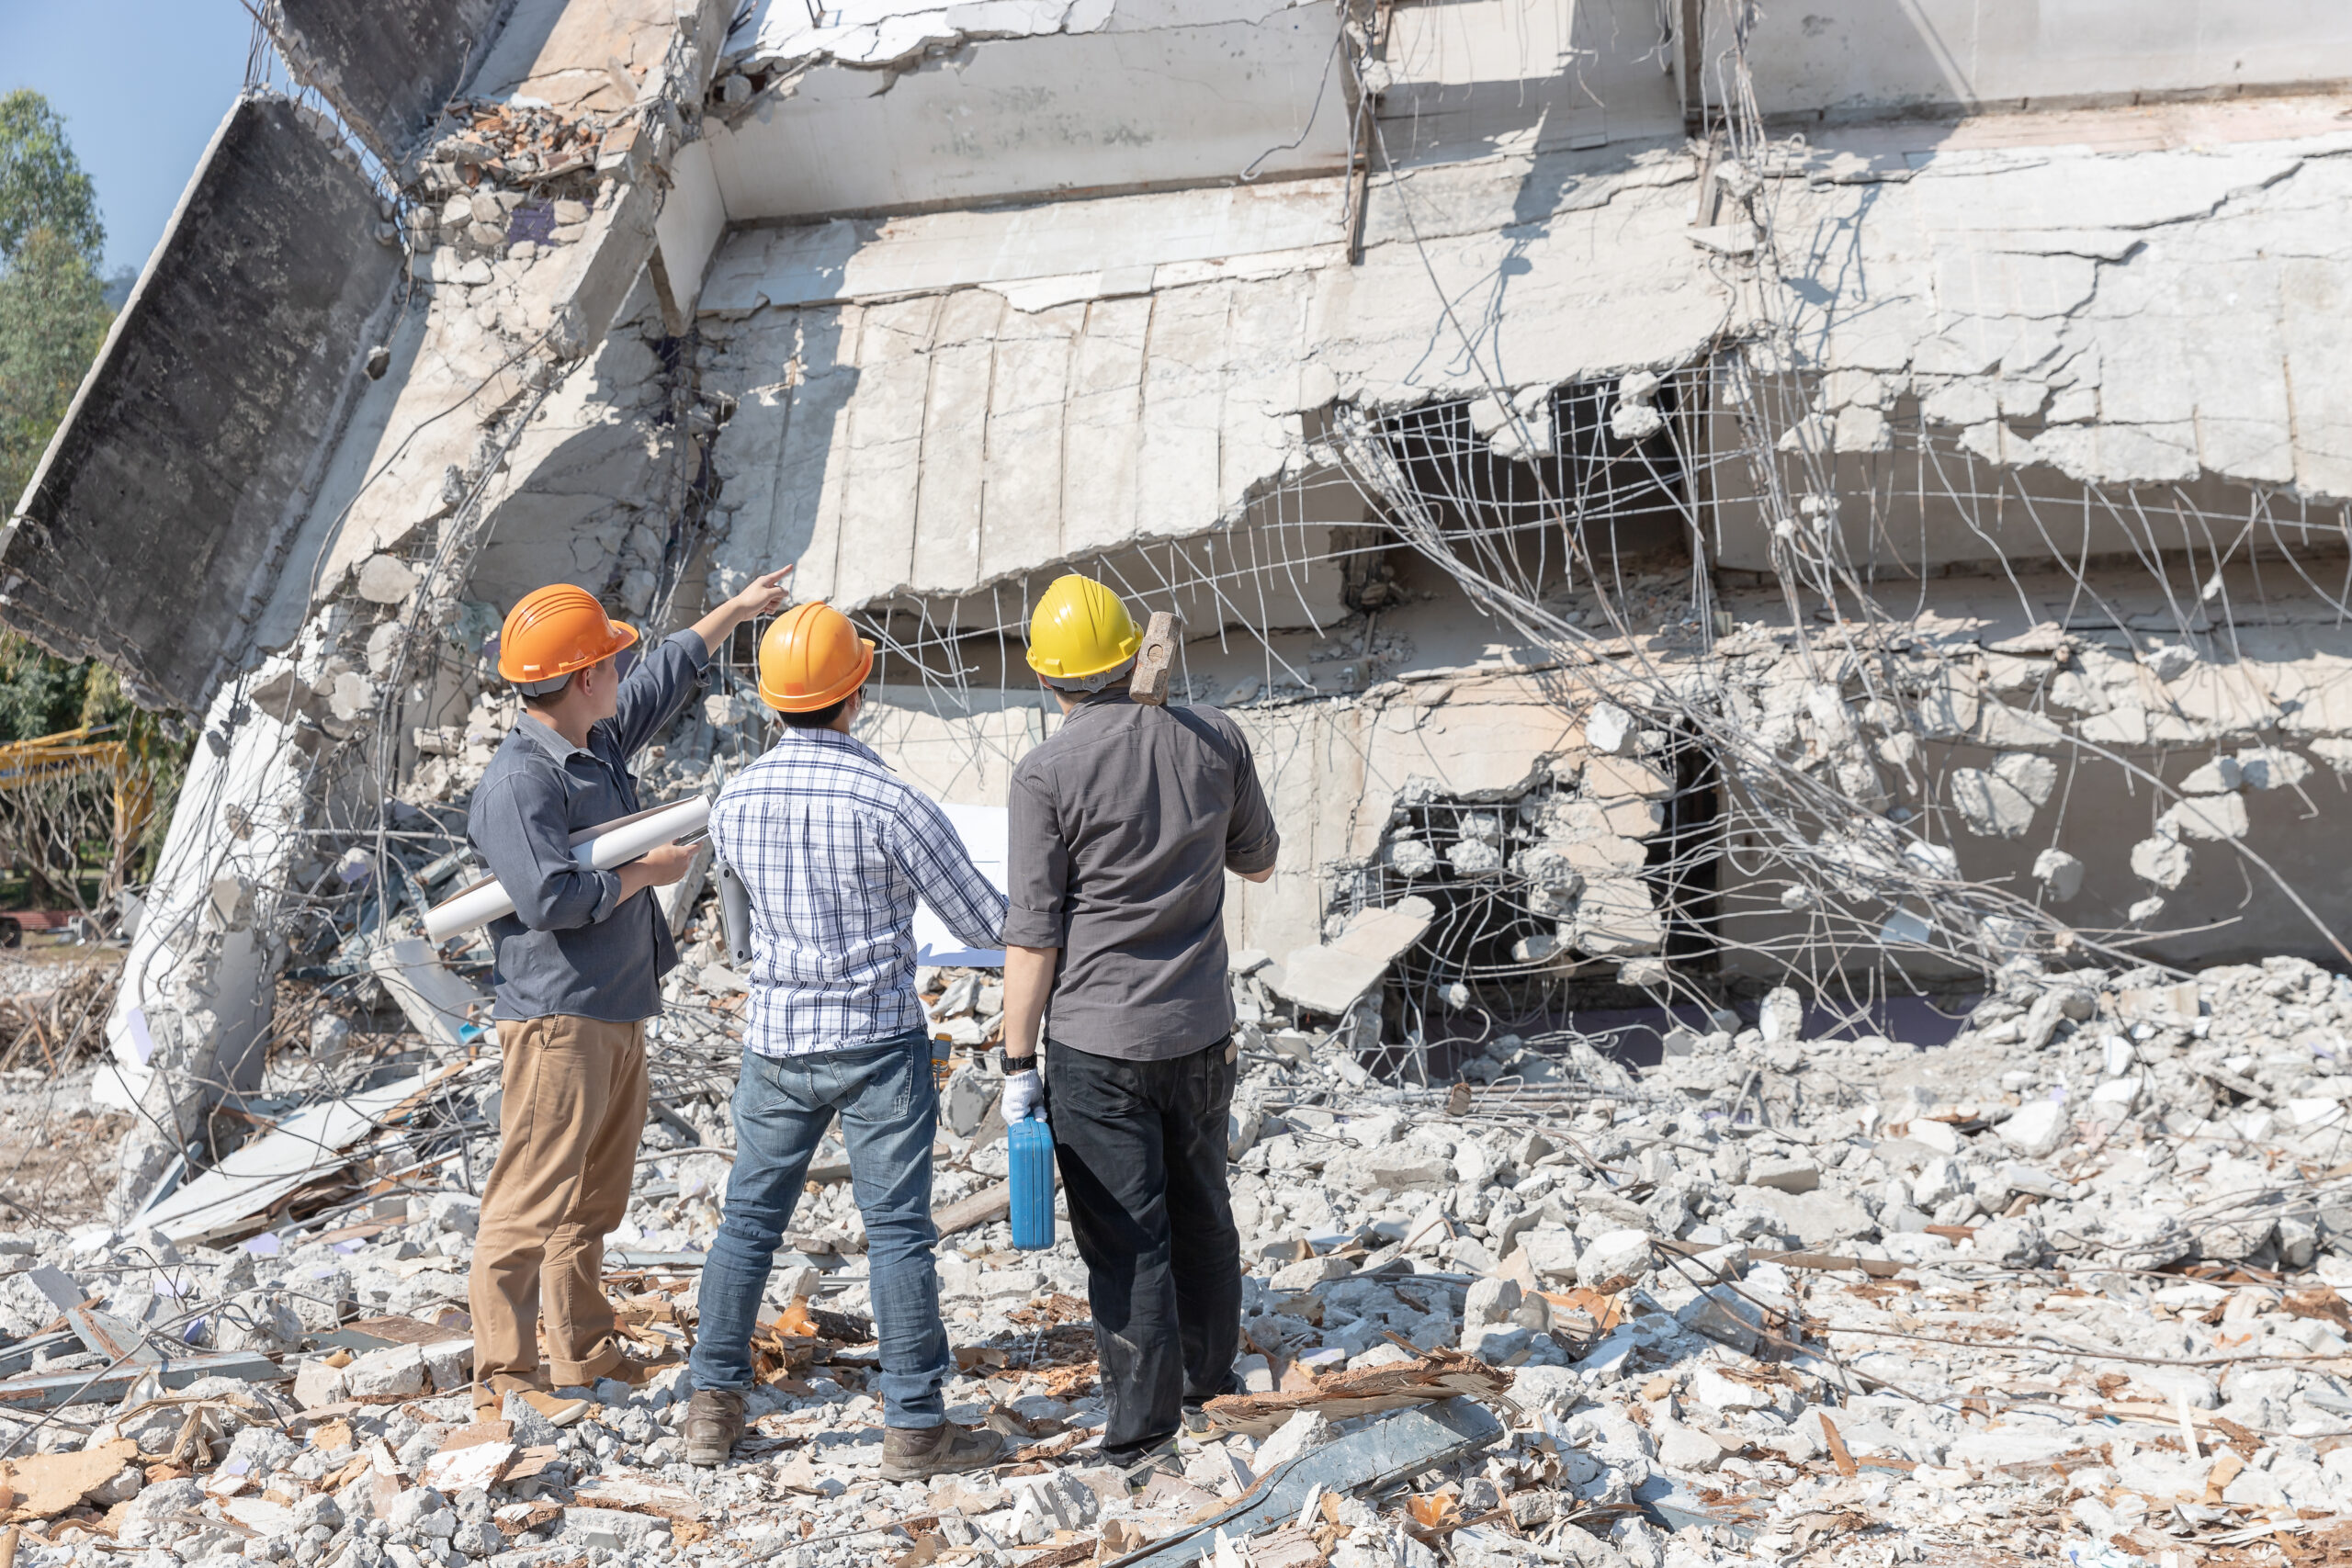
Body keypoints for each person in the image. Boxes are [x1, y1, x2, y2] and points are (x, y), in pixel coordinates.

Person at [684, 601, 1012, 1476]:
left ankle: (711, 1409)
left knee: (747, 1223)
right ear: (856, 691)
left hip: (777, 1042)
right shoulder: (891, 802)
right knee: (898, 1233)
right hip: (877, 1041)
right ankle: (915, 1426)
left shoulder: (734, 800)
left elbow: (741, 930)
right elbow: (986, 922)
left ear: (769, 699)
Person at [467, 569, 791, 1417]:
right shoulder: (520, 782)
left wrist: (736, 610)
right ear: (583, 679)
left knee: (593, 1196)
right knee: (531, 1196)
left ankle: (582, 1352)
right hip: (558, 1017)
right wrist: (644, 872)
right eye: (609, 660)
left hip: (613, 1006)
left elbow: (664, 676)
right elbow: (549, 897)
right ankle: (505, 1380)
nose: (622, 670)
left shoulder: (594, 739)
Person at [997, 574, 1280, 1466]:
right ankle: (1212, 1385)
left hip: (1096, 1043)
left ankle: (1142, 1440)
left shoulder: (1046, 773)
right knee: (1203, 1209)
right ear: (1132, 654)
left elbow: (1034, 936)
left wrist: (1015, 1064)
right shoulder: (1215, 737)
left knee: (1128, 1240)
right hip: (1199, 1030)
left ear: (1047, 676)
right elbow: (1259, 863)